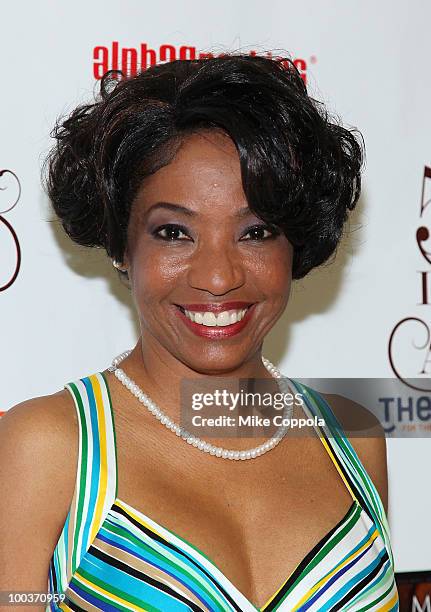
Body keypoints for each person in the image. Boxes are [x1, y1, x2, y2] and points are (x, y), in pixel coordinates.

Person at [0, 54, 399, 611]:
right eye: (174, 232)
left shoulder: (354, 438)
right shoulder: (46, 447)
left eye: (256, 231)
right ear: (121, 246)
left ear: (296, 245)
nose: (218, 277)